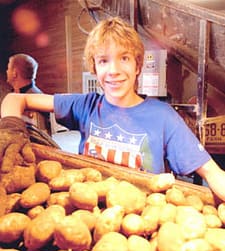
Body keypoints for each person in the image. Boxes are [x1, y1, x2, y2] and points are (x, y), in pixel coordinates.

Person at [1, 17, 225, 201]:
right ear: (94, 68)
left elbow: (212, 173)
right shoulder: (86, 105)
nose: (114, 70)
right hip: (90, 210)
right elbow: (15, 99)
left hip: (139, 220)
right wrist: (11, 130)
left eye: (124, 58)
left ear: (138, 66)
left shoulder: (163, 117)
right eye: (104, 61)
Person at [6, 53, 50, 133]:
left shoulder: (36, 100)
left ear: (14, 73)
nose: (6, 71)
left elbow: (40, 136)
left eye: (8, 68)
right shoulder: (16, 94)